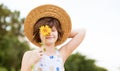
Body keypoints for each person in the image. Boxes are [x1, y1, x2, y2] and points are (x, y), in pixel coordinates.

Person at [21, 4, 86, 71]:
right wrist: (31, 61)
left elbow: (81, 32)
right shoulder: (29, 54)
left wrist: (60, 33)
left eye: (53, 30)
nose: (49, 33)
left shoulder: (61, 55)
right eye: (45, 30)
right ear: (39, 33)